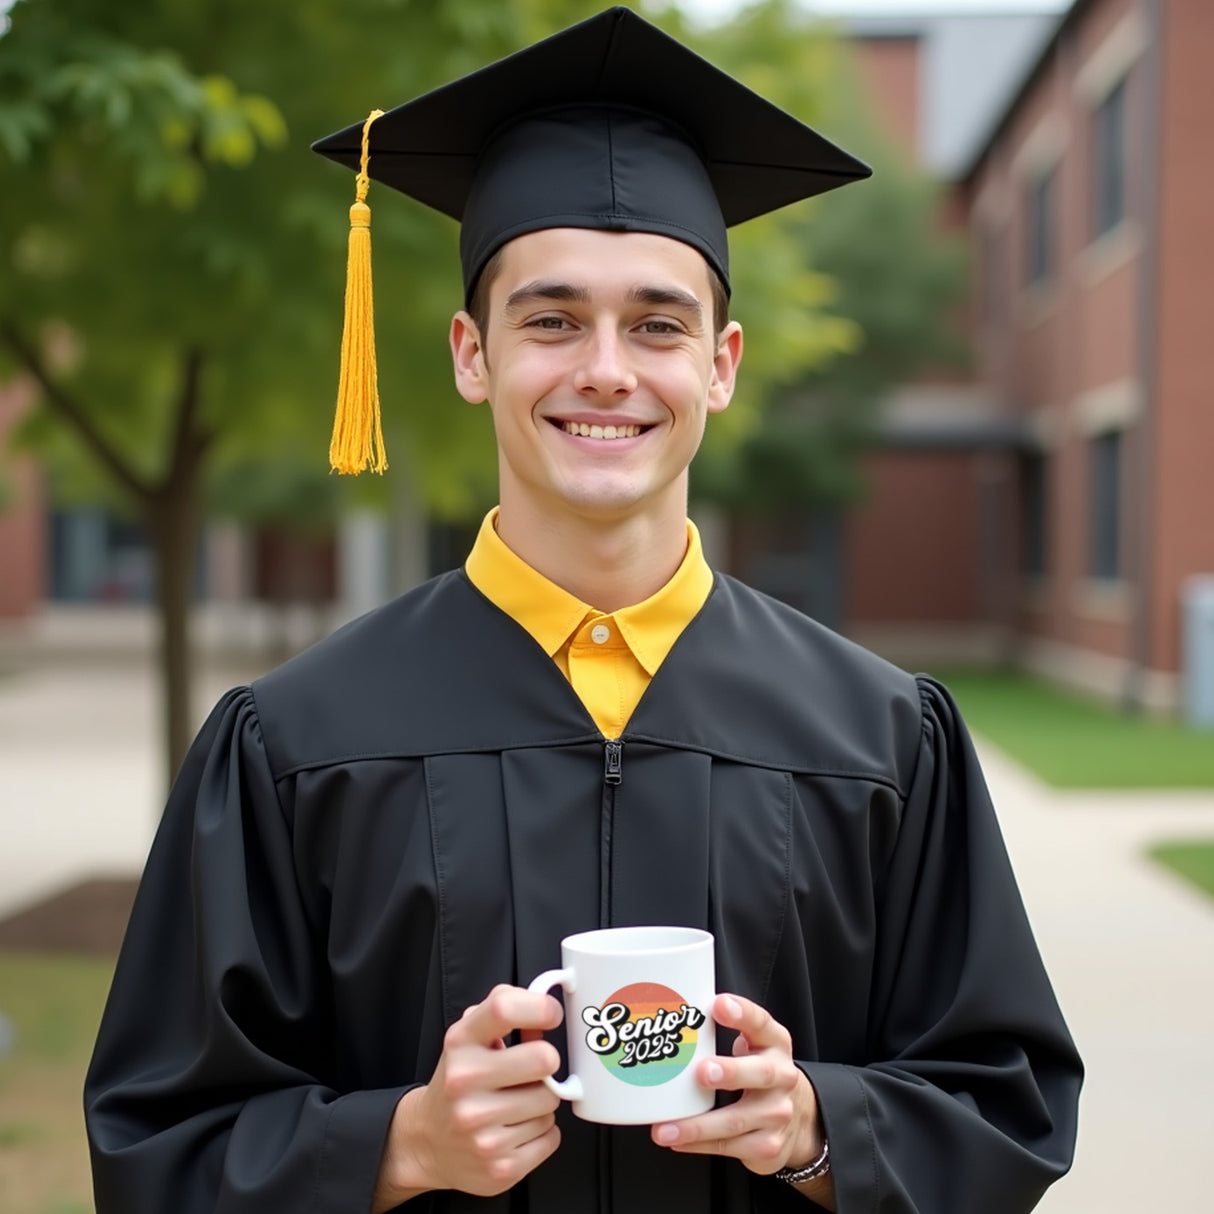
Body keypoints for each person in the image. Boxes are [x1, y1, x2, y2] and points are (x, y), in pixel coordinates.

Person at [85, 9, 1082, 1214]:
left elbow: (1007, 1100)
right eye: (550, 319)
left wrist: (821, 1124)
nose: (605, 367)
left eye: (656, 324)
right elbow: (157, 1141)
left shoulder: (880, 737)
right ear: (470, 353)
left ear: (718, 364)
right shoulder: (295, 742)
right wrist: (398, 1144)